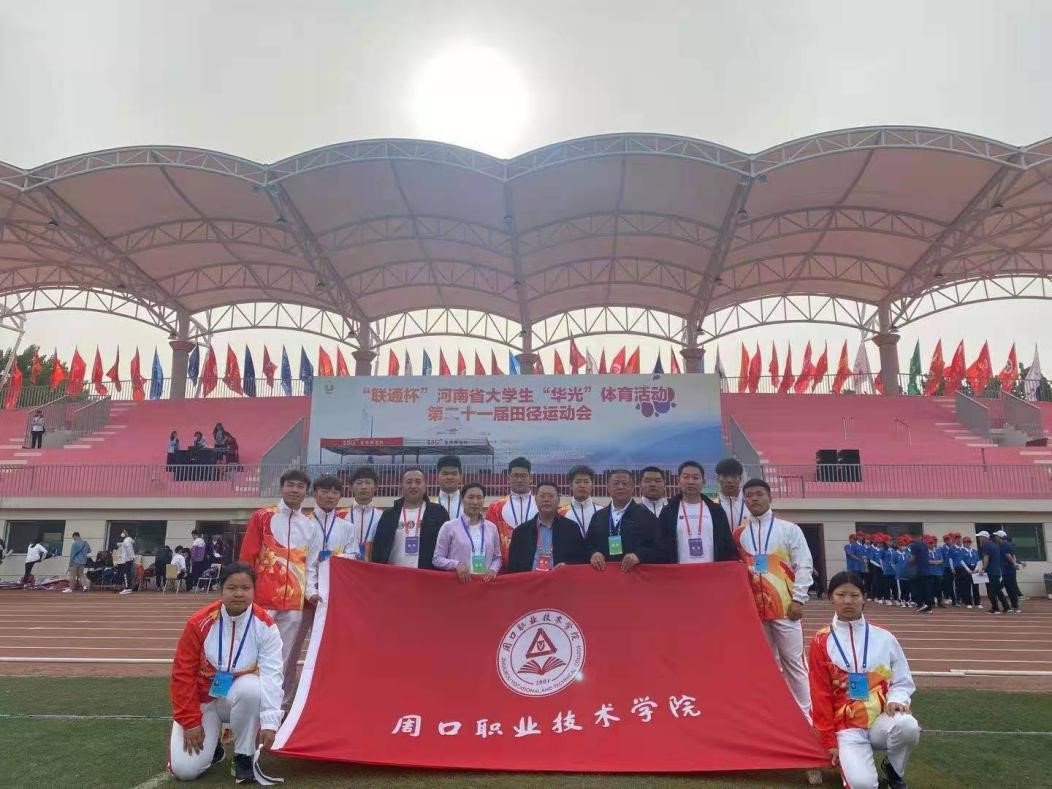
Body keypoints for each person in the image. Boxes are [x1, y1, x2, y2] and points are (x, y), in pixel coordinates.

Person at [167, 562, 284, 783]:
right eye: (231, 588)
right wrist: (190, 722)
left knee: (252, 688)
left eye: (246, 588)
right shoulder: (198, 623)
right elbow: (182, 674)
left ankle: (243, 756)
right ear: (221, 590)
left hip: (237, 698)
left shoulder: (265, 626)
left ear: (254, 591)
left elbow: (272, 675)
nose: (239, 594)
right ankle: (215, 749)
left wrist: (270, 722)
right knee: (185, 771)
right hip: (203, 701)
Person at [809, 571, 920, 789]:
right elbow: (819, 694)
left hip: (881, 719)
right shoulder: (821, 640)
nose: (848, 601)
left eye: (854, 595)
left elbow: (902, 678)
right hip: (847, 727)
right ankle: (860, 770)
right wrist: (829, 741)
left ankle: (894, 770)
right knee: (863, 785)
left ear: (864, 598)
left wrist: (896, 699)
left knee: (907, 726)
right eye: (841, 595)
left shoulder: (883, 637)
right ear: (831, 598)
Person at [238, 468, 322, 706]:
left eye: (300, 487)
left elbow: (311, 565)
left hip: (294, 603)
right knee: (253, 653)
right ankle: (247, 700)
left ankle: (277, 705)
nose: (295, 490)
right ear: (282, 487)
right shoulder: (262, 517)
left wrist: (311, 592)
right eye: (290, 485)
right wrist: (245, 591)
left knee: (284, 658)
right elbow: (247, 556)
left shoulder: (310, 525)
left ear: (306, 492)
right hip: (263, 600)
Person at [733, 479, 814, 721]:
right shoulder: (739, 534)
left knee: (794, 663)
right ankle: (779, 715)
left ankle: (806, 716)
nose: (754, 499)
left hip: (785, 607)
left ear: (770, 498)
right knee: (768, 664)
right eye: (749, 495)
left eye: (759, 494)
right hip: (754, 609)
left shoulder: (789, 529)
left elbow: (804, 565)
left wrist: (799, 599)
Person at [657, 460, 736, 564]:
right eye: (686, 477)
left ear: (703, 481)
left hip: (712, 571)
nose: (691, 482)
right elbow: (660, 546)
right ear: (678, 481)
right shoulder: (668, 512)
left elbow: (727, 546)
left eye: (695, 477)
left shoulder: (717, 511)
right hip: (679, 572)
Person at [370, 467, 449, 569]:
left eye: (418, 482)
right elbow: (378, 549)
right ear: (401, 486)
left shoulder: (438, 512)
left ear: (425, 485)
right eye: (409, 482)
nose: (413, 486)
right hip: (395, 574)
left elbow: (447, 546)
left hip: (427, 574)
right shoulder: (388, 515)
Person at [586, 469, 663, 572]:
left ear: (632, 488)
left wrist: (639, 556)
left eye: (625, 483)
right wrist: (593, 553)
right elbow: (588, 544)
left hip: (634, 575)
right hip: (604, 574)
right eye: (616, 483)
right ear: (608, 488)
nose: (620, 487)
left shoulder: (646, 516)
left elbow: (658, 548)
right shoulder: (598, 516)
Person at [507, 481, 589, 572]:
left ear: (558, 500)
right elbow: (513, 567)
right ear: (535, 500)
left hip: (560, 579)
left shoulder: (571, 529)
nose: (546, 499)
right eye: (542, 496)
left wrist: (566, 567)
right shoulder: (521, 532)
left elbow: (580, 560)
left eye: (551, 496)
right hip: (530, 580)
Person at [432, 482, 501, 582]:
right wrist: (456, 565)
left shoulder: (492, 528)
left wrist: (493, 570)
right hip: (459, 584)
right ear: (462, 499)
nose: (475, 502)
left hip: (484, 584)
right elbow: (437, 559)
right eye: (471, 497)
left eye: (479, 497)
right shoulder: (449, 527)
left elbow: (497, 558)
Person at [485, 457, 536, 564]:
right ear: (508, 478)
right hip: (504, 567)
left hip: (535, 566)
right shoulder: (495, 507)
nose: (519, 480)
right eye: (515, 476)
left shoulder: (541, 504)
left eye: (523, 476)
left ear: (530, 478)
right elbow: (489, 539)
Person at [308, 475, 355, 560]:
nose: (330, 496)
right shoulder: (303, 523)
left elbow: (353, 556)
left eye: (335, 493)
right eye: (324, 492)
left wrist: (335, 557)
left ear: (340, 497)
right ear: (314, 494)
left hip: (337, 568)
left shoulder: (348, 527)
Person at [347, 467, 381, 560]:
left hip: (374, 564)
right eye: (359, 483)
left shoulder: (383, 516)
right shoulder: (340, 515)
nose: (363, 487)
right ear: (351, 487)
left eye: (368, 483)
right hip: (347, 565)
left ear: (376, 487)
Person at [976, 531, 1012, 614]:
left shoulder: (986, 545)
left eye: (980, 537)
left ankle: (995, 608)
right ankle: (1006, 607)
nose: (979, 538)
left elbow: (986, 557)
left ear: (984, 537)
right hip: (996, 571)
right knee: (997, 590)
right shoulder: (995, 545)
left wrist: (983, 568)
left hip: (990, 571)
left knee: (991, 591)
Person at [559, 464, 597, 541]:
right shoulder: (560, 513)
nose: (582, 485)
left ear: (592, 485)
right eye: (578, 482)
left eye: (586, 482)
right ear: (570, 485)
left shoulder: (603, 511)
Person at [714, 457, 747, 530]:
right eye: (725, 476)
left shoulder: (750, 503)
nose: (729, 480)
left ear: (740, 478)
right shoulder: (711, 506)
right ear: (718, 478)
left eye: (734, 476)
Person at [997, 530, 1023, 612]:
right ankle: (1013, 606)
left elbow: (1008, 555)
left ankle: (1013, 607)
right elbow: (1013, 555)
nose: (996, 537)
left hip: (1007, 570)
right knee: (1010, 588)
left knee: (1009, 589)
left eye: (997, 536)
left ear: (999, 537)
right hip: (1009, 570)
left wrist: (1014, 564)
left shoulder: (1003, 544)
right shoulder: (1008, 544)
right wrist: (1015, 564)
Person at [907, 533, 933, 613]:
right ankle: (928, 606)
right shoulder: (925, 545)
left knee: (919, 589)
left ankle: (921, 605)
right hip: (926, 570)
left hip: (918, 570)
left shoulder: (915, 545)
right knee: (927, 589)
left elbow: (912, 558)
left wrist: (908, 563)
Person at [957, 535, 981, 609]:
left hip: (975, 568)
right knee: (967, 587)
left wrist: (976, 569)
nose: (967, 543)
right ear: (963, 543)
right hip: (966, 568)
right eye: (966, 542)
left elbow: (978, 561)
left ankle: (977, 603)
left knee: (976, 587)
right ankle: (968, 602)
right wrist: (968, 570)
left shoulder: (974, 551)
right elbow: (961, 561)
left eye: (969, 542)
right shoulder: (961, 551)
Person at [939, 534, 958, 607]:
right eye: (945, 540)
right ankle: (950, 599)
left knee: (956, 584)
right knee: (948, 585)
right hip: (946, 569)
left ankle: (957, 599)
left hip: (955, 568)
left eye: (948, 539)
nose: (947, 541)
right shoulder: (941, 549)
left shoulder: (955, 548)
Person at [116, 528, 136, 595]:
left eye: (124, 532)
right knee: (128, 573)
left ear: (127, 533)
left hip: (127, 560)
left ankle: (127, 588)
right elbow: (120, 544)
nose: (123, 533)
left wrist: (130, 557)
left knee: (126, 574)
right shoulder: (127, 540)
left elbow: (129, 549)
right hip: (127, 559)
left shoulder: (127, 540)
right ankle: (128, 588)